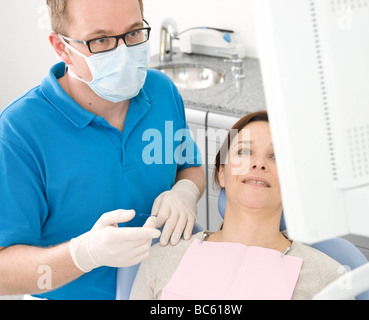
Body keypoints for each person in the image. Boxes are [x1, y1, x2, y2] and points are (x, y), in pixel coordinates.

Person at [0, 0, 205, 300]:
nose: (123, 52)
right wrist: (83, 254)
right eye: (101, 40)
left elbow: (189, 166)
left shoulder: (161, 91)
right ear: (61, 47)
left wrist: (185, 191)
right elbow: (4, 275)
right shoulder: (19, 132)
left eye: (134, 33)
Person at [129, 110, 346, 300]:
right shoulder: (161, 259)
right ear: (222, 173)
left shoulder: (327, 279)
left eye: (276, 156)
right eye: (243, 152)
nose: (258, 163)